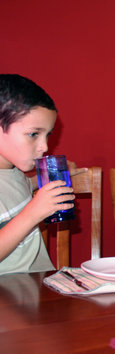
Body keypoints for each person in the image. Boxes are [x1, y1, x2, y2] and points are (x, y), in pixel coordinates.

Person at [0, 74, 76, 274]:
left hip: (37, 286)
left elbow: (16, 186)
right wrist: (33, 213)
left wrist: (43, 181)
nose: (44, 146)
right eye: (34, 134)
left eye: (47, 135)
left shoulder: (13, 172)